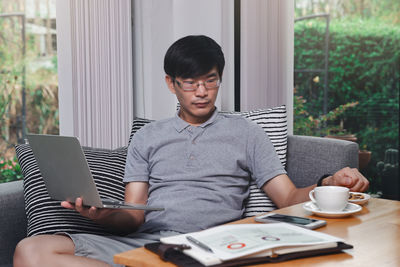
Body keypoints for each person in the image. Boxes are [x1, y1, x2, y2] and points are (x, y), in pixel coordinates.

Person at [14, 35, 369, 267]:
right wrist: (101, 216)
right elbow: (133, 216)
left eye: (210, 80)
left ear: (219, 79)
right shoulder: (148, 137)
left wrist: (329, 182)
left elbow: (289, 196)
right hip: (150, 243)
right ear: (171, 84)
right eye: (190, 82)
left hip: (212, 246)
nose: (202, 92)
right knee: (31, 250)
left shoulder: (246, 132)